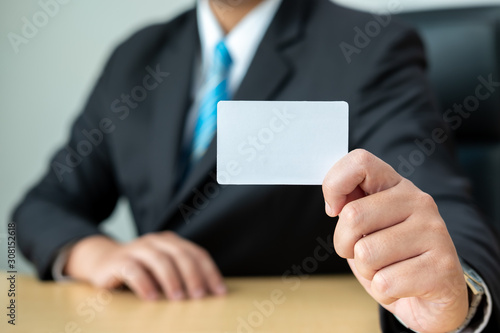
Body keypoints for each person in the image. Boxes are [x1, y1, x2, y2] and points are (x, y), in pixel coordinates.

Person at [11, 0, 500, 331]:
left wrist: (459, 293)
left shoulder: (369, 46)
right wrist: (93, 253)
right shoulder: (135, 57)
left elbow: (436, 204)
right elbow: (40, 206)